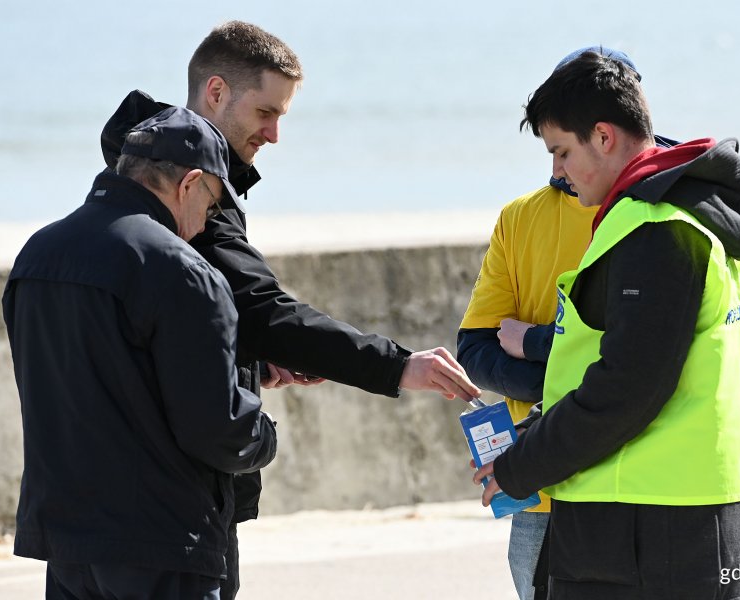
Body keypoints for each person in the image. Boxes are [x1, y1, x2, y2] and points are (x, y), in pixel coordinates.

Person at [99, 20, 481, 598]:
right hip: (172, 504)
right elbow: (261, 309)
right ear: (217, 93)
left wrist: (246, 356)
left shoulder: (123, 185)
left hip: (107, 502)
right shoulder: (189, 197)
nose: (275, 134)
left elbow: (186, 323)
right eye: (265, 113)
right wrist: (398, 365)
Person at [473, 51, 740, 599]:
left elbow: (628, 386)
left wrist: (522, 465)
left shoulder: (650, 225)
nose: (556, 171)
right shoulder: (703, 215)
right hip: (710, 514)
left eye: (561, 151)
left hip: (644, 531)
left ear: (604, 137)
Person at [3, 107, 276, 599]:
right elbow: (216, 428)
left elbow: (100, 377)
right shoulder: (181, 269)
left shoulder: (36, 255)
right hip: (160, 544)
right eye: (212, 206)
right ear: (189, 184)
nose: (202, 226)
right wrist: (263, 433)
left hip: (66, 541)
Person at [458, 47, 674, 600]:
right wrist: (567, 389)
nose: (557, 166)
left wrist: (537, 352)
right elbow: (477, 347)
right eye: (552, 149)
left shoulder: (664, 217)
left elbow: (640, 360)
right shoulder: (519, 219)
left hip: (637, 484)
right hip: (538, 488)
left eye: (562, 149)